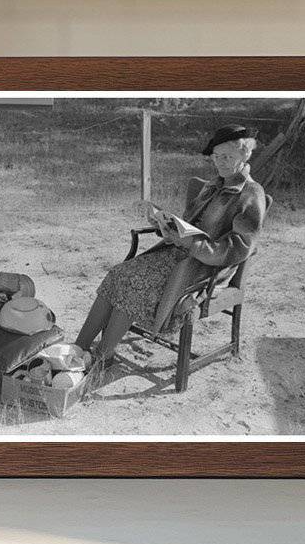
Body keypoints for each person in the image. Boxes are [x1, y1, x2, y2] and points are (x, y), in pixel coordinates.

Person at [75, 124, 268, 373]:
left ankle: (103, 356)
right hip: (178, 253)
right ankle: (78, 349)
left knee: (135, 281)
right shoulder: (214, 184)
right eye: (216, 157)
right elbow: (190, 224)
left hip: (205, 267)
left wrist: (193, 244)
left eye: (227, 157)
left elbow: (240, 247)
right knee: (118, 273)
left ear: (245, 155)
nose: (219, 162)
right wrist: (165, 225)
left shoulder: (251, 193)